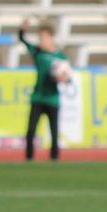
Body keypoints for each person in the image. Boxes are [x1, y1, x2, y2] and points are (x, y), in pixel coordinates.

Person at [17, 19, 69, 161]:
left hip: (52, 98)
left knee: (54, 132)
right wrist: (22, 28)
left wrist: (62, 78)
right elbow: (22, 39)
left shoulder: (60, 56)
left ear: (51, 37)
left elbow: (67, 77)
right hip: (38, 97)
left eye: (44, 37)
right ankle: (29, 159)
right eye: (40, 37)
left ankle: (54, 159)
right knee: (31, 131)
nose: (41, 40)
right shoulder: (37, 52)